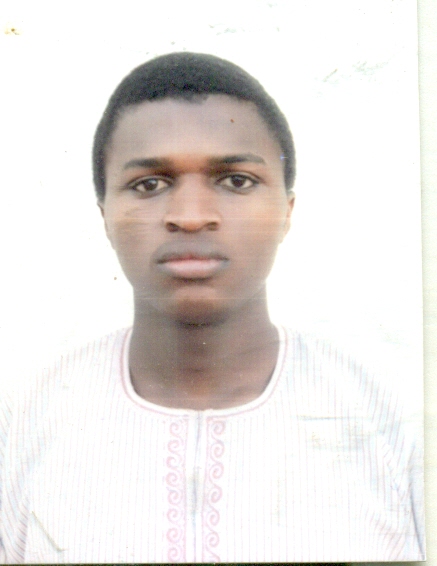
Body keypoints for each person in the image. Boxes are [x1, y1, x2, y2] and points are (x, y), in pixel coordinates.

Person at [0, 52, 424, 563]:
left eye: (236, 180)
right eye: (149, 184)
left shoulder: (400, 424)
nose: (191, 216)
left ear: (286, 211)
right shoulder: (21, 428)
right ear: (105, 214)